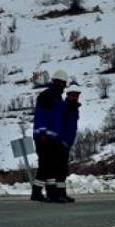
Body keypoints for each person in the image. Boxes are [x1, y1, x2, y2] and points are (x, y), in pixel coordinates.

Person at [31, 69, 68, 202]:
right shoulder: (47, 96)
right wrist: (42, 132)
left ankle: (51, 193)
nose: (63, 86)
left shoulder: (58, 98)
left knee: (51, 165)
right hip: (44, 137)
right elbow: (41, 116)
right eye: (62, 83)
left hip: (52, 137)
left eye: (64, 83)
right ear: (56, 82)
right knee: (45, 164)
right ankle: (36, 192)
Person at [53, 81, 82, 203]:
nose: (75, 97)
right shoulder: (64, 108)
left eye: (76, 95)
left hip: (67, 143)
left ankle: (61, 193)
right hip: (60, 142)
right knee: (59, 169)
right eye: (73, 95)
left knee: (63, 169)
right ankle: (56, 194)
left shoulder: (74, 109)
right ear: (68, 95)